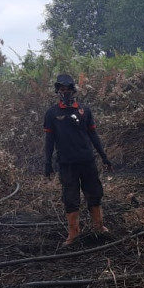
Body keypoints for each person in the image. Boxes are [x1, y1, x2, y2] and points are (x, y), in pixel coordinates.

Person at [44, 74, 113, 245]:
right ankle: (73, 233)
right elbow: (49, 141)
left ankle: (98, 226)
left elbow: (93, 135)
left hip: (87, 160)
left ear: (74, 90)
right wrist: (47, 163)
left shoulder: (84, 110)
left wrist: (104, 157)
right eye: (61, 89)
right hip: (67, 163)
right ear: (57, 90)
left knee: (94, 193)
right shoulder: (52, 113)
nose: (65, 92)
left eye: (68, 89)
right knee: (70, 197)